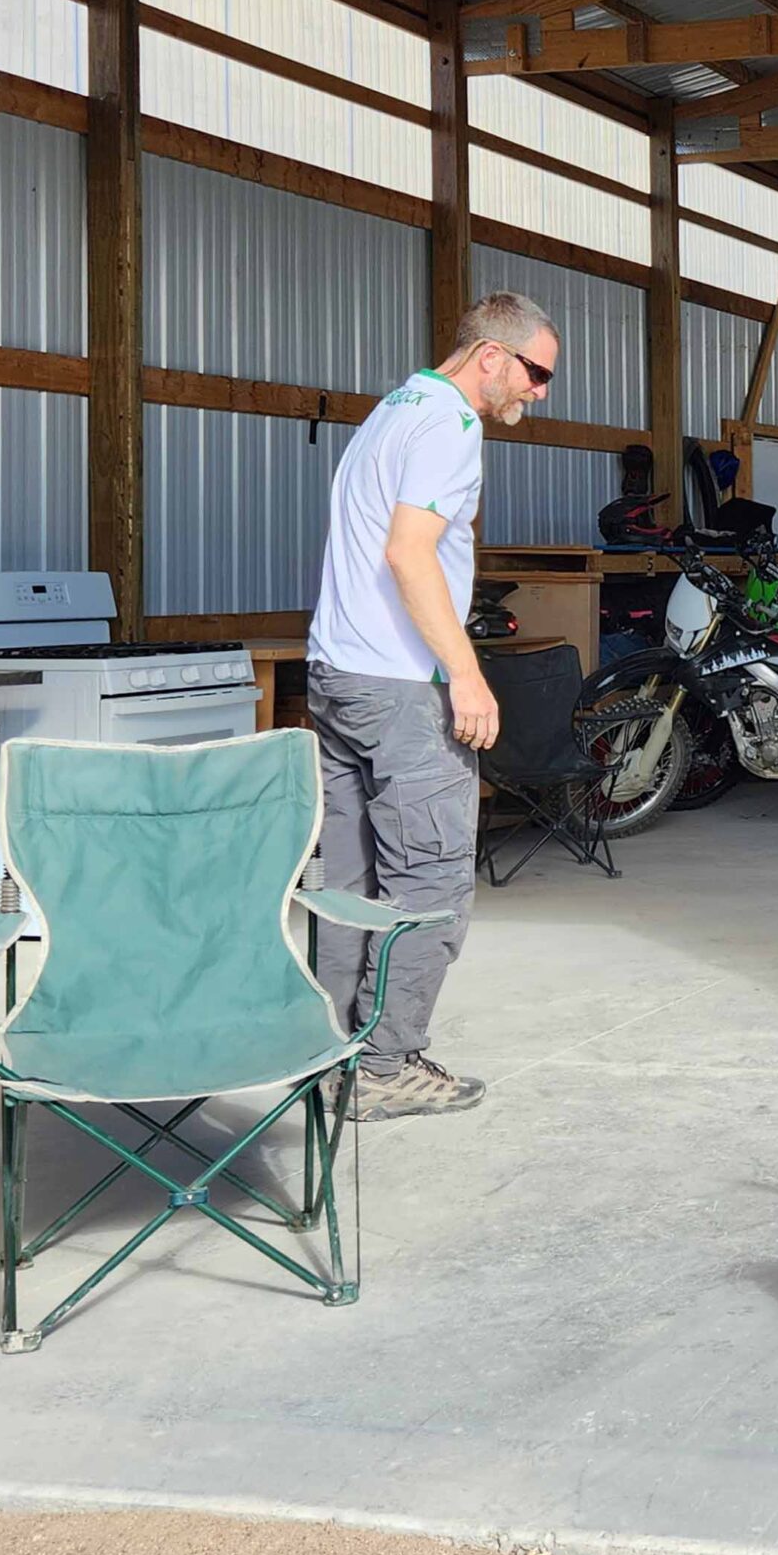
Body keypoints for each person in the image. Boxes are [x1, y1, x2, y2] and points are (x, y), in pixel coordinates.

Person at [305, 291, 560, 1120]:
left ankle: (331, 1055)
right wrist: (467, 673)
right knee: (431, 880)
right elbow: (409, 554)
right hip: (401, 688)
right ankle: (385, 1067)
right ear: (491, 355)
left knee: (349, 879)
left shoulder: (393, 409)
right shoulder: (452, 425)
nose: (539, 392)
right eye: (537, 372)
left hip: (338, 675)